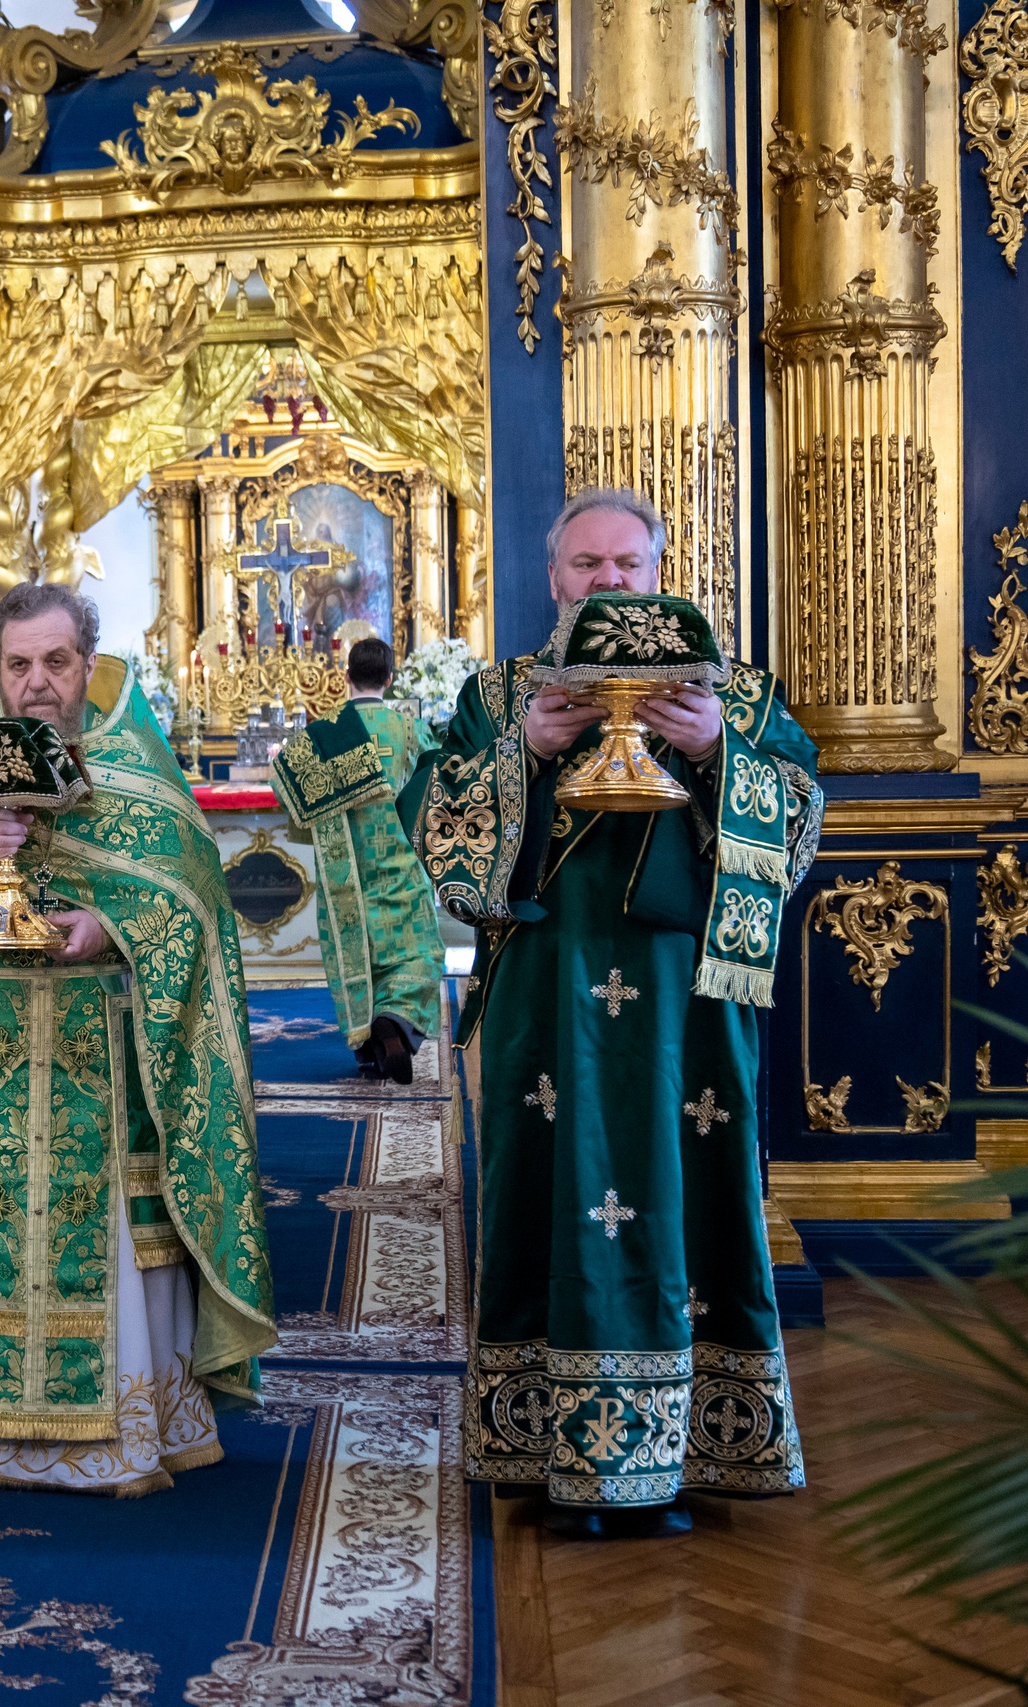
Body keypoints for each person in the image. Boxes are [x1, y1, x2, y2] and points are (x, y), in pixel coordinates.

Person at [400, 488, 823, 1537]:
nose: (606, 581)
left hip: (689, 1013)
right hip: (550, 1003)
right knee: (551, 1201)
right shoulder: (501, 700)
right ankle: (546, 1453)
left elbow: (802, 828)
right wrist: (523, 759)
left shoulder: (738, 694)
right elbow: (438, 837)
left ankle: (690, 1453)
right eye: (584, 564)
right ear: (552, 581)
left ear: (660, 573)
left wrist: (723, 748)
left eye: (625, 564)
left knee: (693, 1204)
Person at [0, 580, 276, 1494]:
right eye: (18, 664)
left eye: (55, 661)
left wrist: (113, 928)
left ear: (87, 662)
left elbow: (192, 898)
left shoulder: (135, 768)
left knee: (112, 1234)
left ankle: (116, 1432)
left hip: (103, 1040)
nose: (37, 681)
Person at [273, 634, 447, 1082]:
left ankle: (369, 1050)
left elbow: (294, 803)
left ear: (345, 677)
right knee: (414, 954)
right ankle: (397, 1024)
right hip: (400, 862)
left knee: (359, 958)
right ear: (390, 678)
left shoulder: (323, 734)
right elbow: (435, 790)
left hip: (346, 873)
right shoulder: (410, 729)